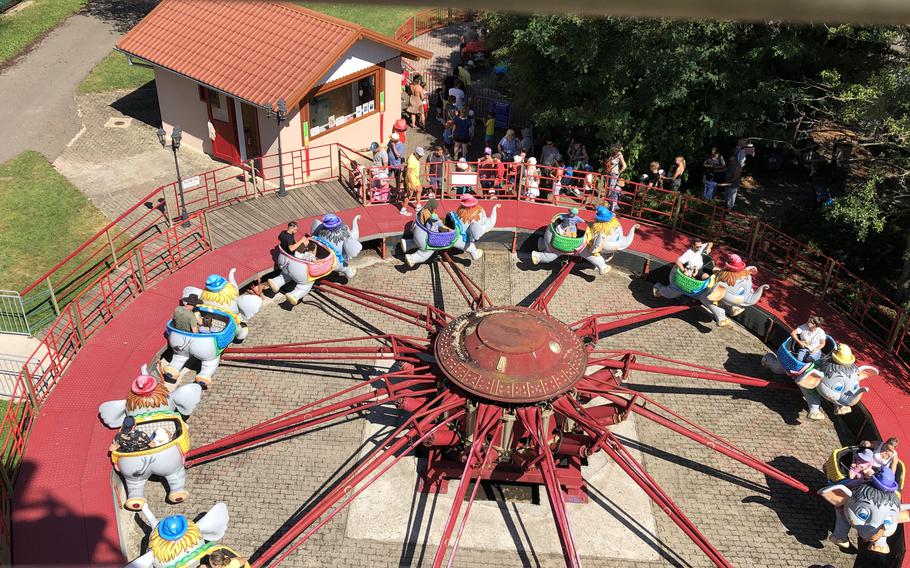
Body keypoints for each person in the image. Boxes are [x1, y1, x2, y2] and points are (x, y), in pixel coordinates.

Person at [401, 147, 426, 215]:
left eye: (421, 155)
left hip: (415, 179)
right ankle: (403, 209)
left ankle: (418, 206)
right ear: (416, 153)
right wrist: (411, 184)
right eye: (419, 155)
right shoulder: (412, 160)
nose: (420, 156)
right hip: (411, 179)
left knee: (419, 190)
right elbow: (408, 173)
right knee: (409, 194)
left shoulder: (415, 157)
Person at [604, 144, 627, 211]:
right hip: (609, 173)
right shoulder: (612, 154)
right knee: (608, 189)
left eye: (614, 148)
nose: (613, 149)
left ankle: (613, 206)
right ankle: (610, 205)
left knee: (612, 189)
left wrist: (619, 172)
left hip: (614, 174)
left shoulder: (620, 155)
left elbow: (624, 166)